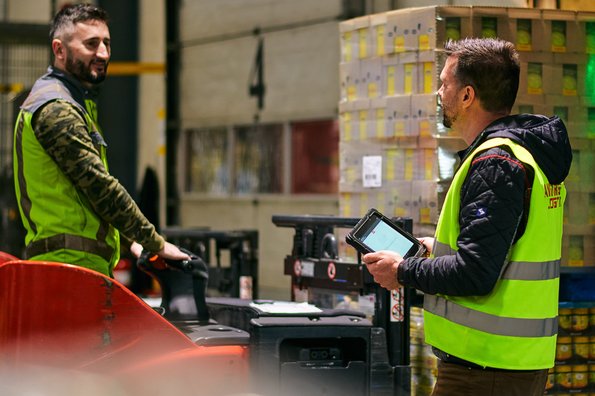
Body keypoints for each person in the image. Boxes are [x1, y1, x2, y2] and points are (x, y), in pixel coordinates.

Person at [363, 38, 572, 396]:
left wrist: (402, 271)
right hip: (506, 363)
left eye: (444, 83)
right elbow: (502, 250)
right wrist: (437, 249)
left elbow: (476, 272)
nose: (438, 92)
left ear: (467, 96)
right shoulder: (523, 154)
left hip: (486, 367)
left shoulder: (495, 164)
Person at [13, 4, 188, 277]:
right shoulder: (56, 108)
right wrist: (155, 242)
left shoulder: (74, 103)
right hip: (69, 269)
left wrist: (132, 244)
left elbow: (84, 197)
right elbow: (99, 187)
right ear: (59, 50)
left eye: (107, 43)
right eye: (91, 44)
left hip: (77, 265)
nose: (103, 53)